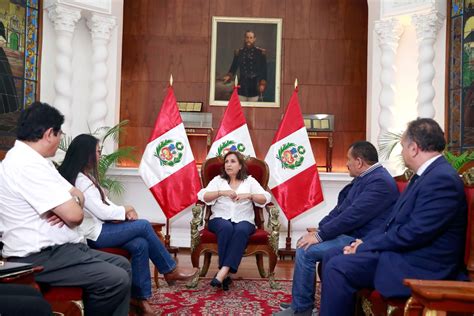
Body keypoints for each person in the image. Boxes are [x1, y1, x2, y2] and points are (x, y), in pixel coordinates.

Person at [319, 118, 467, 316]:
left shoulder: (441, 180)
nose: (402, 152)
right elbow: (393, 222)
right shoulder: (423, 175)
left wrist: (365, 247)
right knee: (332, 255)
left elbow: (414, 233)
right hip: (405, 251)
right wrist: (362, 241)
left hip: (422, 264)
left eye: (403, 147)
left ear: (414, 148)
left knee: (338, 266)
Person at [0, 101, 131, 315]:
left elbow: (77, 196)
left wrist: (70, 205)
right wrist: (70, 207)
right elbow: (75, 215)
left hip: (63, 250)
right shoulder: (25, 165)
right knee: (115, 278)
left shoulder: (40, 162)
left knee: (122, 265)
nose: (61, 139)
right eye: (60, 134)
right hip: (40, 256)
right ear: (50, 133)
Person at [58, 133, 199, 315]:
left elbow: (105, 205)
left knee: (140, 244)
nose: (100, 155)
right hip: (94, 234)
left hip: (102, 228)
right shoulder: (80, 180)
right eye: (98, 152)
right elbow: (102, 212)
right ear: (86, 154)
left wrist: (124, 211)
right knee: (143, 226)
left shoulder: (85, 177)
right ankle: (169, 269)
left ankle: (140, 299)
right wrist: (127, 208)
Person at [275, 141, 399, 316]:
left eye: (348, 160)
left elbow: (352, 216)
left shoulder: (380, 182)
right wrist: (319, 230)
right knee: (305, 241)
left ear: (359, 162)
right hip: (350, 233)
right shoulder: (366, 178)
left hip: (362, 239)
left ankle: (302, 309)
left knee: (306, 249)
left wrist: (319, 237)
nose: (346, 164)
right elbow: (341, 210)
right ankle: (301, 300)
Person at [197, 151, 271, 290]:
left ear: (240, 166)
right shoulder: (218, 181)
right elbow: (203, 196)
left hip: (245, 220)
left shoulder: (250, 181)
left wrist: (249, 196)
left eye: (233, 161)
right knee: (226, 228)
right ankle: (225, 274)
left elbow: (265, 198)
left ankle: (223, 272)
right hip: (219, 219)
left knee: (241, 230)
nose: (228, 165)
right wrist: (221, 193)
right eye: (226, 162)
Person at [222, 30, 267, 102]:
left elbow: (264, 70)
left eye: (251, 38)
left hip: (254, 86)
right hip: (242, 85)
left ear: (254, 39)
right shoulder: (239, 52)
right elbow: (234, 67)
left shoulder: (260, 53)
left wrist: (262, 83)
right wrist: (229, 75)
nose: (249, 40)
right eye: (247, 37)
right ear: (245, 39)